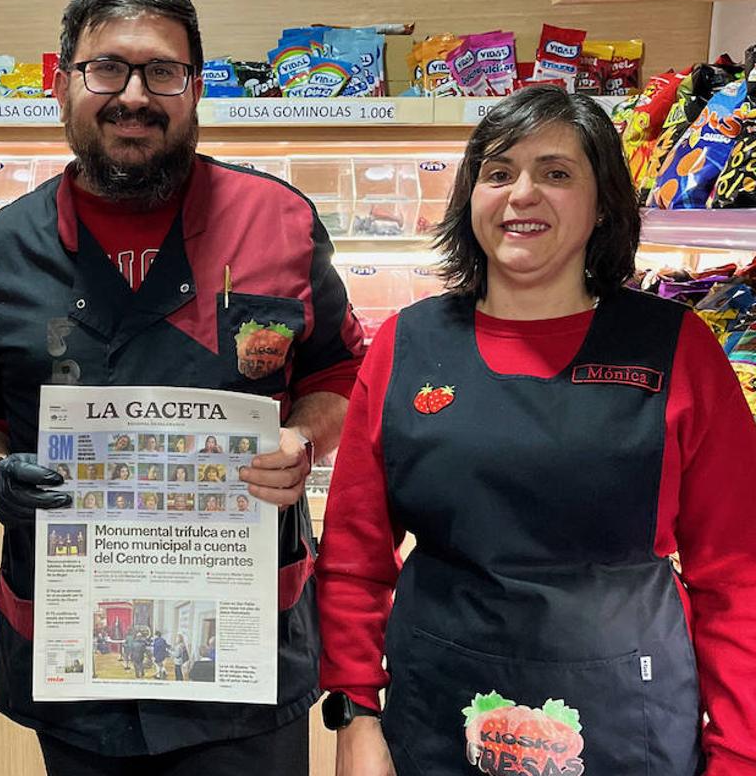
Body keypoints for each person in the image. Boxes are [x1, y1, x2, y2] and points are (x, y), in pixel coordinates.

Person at [0, 0, 362, 774]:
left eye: (162, 72)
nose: (134, 95)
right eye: (106, 69)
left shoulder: (278, 221)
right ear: (59, 82)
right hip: (73, 643)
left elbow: (341, 371)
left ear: (195, 89)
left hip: (245, 646)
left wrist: (304, 445)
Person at [316, 86, 756, 776]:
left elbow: (737, 574)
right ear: (470, 198)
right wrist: (354, 711)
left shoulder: (678, 348)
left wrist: (740, 753)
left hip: (627, 721)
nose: (522, 194)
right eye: (498, 173)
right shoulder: (409, 345)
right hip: (438, 715)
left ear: (603, 201)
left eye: (556, 173)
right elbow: (353, 553)